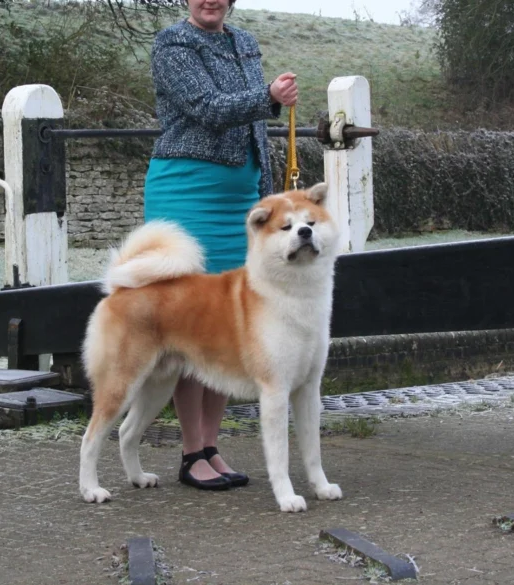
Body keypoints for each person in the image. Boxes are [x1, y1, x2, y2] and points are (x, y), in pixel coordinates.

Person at [144, 0, 299, 491]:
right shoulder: (173, 43)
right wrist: (269, 96)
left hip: (240, 194)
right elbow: (207, 108)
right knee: (191, 322)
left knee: (230, 326)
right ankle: (191, 452)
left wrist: (265, 192)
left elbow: (255, 131)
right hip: (188, 190)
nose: (210, 1)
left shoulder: (245, 42)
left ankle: (212, 446)